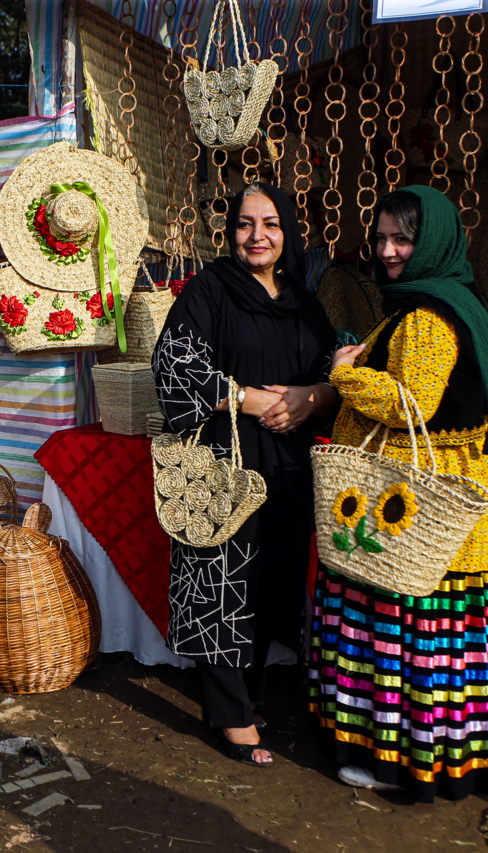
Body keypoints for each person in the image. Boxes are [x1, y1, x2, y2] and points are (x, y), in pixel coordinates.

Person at [309, 186, 488, 802]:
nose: (388, 251)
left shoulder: (427, 316)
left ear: (432, 242)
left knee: (401, 639)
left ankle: (396, 764)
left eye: (402, 238)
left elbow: (412, 403)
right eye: (380, 239)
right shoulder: (459, 301)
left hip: (408, 509)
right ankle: (428, 756)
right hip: (440, 508)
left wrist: (346, 375)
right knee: (433, 646)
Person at [154, 182, 338, 767]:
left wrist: (314, 394)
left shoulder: (304, 302)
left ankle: (246, 694)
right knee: (225, 583)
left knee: (271, 581)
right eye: (244, 223)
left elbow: (334, 372)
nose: (257, 236)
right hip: (228, 463)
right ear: (230, 231)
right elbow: (175, 363)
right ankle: (230, 714)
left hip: (289, 466)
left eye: (270, 224)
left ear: (288, 234)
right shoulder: (212, 290)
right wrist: (253, 401)